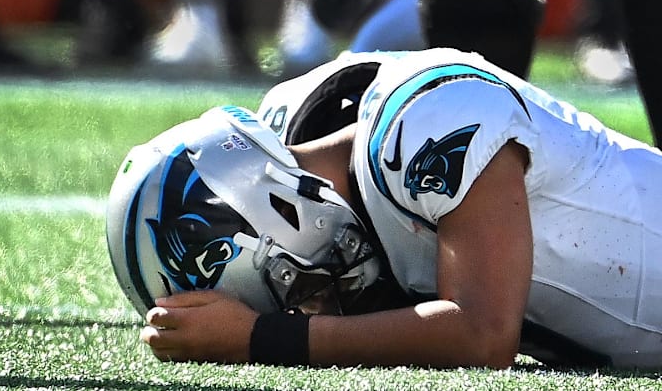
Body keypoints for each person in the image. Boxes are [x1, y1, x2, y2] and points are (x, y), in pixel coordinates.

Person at [107, 49, 662, 369]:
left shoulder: (424, 121)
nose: (312, 308)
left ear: (277, 212)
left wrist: (260, 338)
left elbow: (483, 334)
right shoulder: (311, 135)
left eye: (294, 295)